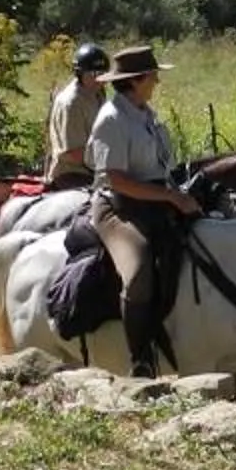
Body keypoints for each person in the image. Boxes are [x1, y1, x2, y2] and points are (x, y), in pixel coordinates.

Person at [88, 43, 197, 377]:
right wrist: (171, 198)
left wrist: (178, 193)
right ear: (135, 80)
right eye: (152, 76)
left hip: (155, 201)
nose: (157, 83)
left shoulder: (145, 114)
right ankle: (141, 362)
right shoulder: (112, 118)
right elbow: (118, 180)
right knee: (138, 273)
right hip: (118, 208)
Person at [44, 42, 111, 188]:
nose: (100, 79)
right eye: (94, 74)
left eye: (104, 74)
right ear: (80, 73)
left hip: (95, 170)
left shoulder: (97, 94)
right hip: (72, 175)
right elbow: (73, 155)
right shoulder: (71, 103)